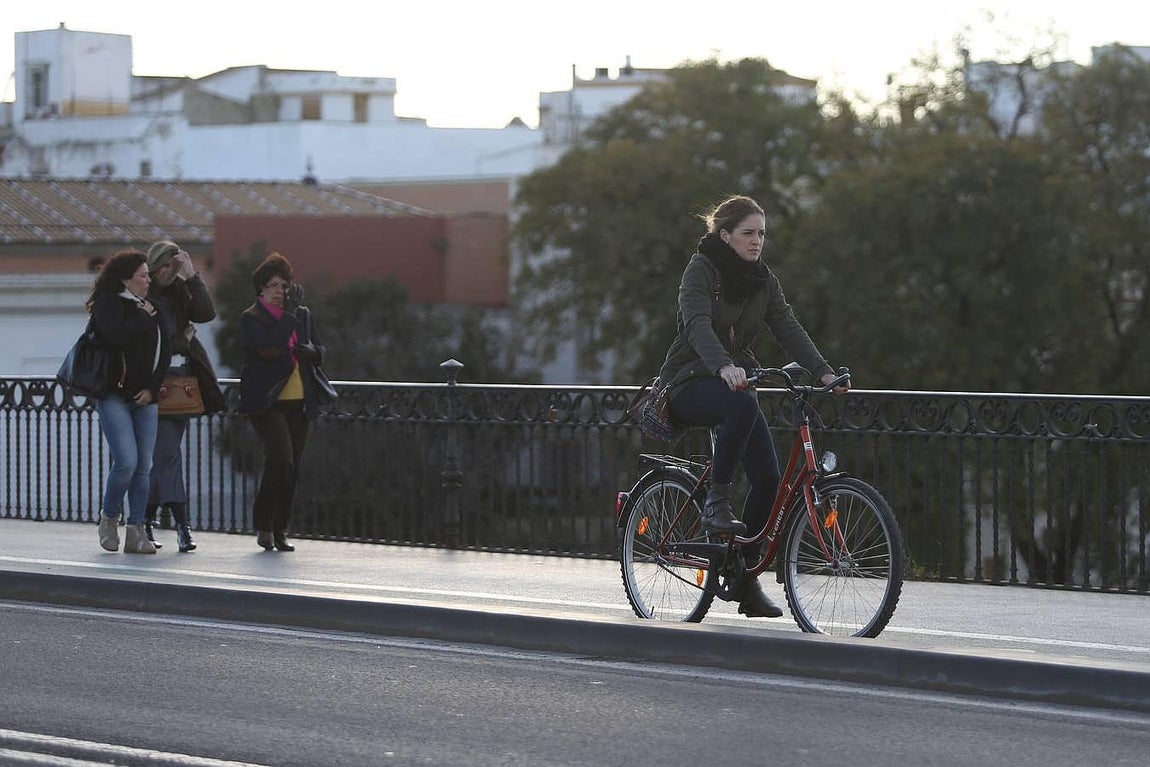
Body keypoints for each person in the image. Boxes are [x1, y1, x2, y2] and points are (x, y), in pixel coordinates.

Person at [657, 195, 849, 618]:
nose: (757, 241)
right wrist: (723, 365)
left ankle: (743, 578)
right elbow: (697, 324)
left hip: (733, 383)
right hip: (689, 380)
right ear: (725, 236)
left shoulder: (762, 280)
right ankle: (716, 501)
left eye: (762, 233)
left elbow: (786, 324)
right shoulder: (701, 270)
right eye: (748, 233)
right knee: (741, 408)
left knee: (768, 479)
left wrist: (824, 374)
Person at [238, 252, 328, 552]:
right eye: (274, 285)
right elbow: (269, 349)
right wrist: (288, 316)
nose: (280, 291)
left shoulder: (302, 315)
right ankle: (263, 524)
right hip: (267, 402)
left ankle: (279, 530)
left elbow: (321, 350)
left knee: (292, 468)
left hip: (300, 400)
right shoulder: (252, 318)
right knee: (281, 460)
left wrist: (311, 352)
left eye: (284, 285)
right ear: (260, 289)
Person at [143, 240, 226, 553]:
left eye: (172, 266)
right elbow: (153, 338)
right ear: (153, 265)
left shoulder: (179, 289)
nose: (168, 271)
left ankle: (146, 520)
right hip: (153, 382)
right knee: (168, 454)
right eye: (164, 265)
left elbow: (205, 313)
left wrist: (192, 276)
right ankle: (181, 523)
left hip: (183, 384)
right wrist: (181, 339)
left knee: (166, 455)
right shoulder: (145, 292)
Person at [88, 249, 171, 554]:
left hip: (145, 397)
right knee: (126, 461)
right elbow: (114, 336)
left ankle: (137, 530)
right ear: (126, 279)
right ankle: (110, 517)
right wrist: (141, 316)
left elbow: (164, 350)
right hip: (113, 395)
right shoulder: (109, 303)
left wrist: (152, 388)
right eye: (143, 275)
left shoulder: (153, 308)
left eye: (149, 274)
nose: (149, 280)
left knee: (143, 466)